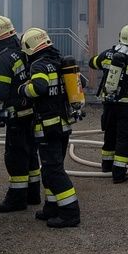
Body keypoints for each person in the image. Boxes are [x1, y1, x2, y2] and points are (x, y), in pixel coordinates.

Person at [20, 28, 80, 228]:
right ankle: (52, 207)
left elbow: (39, 88)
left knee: (53, 171)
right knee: (50, 169)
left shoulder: (38, 65)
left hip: (48, 127)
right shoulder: (59, 62)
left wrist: (23, 89)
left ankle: (70, 212)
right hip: (62, 125)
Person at [0, 14, 41, 212]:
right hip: (31, 113)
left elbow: (0, 93)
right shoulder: (23, 51)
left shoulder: (3, 58)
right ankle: (33, 194)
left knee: (15, 156)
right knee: (30, 153)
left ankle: (17, 199)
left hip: (16, 115)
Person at [89, 24, 128, 183]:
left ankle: (106, 166)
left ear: (119, 37)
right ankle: (119, 173)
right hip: (127, 106)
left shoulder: (108, 54)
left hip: (108, 103)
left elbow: (92, 63)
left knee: (109, 134)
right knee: (124, 138)